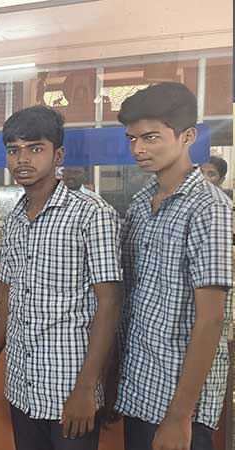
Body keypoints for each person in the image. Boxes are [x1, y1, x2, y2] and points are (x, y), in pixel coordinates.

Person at [0, 106, 122, 450]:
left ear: (58, 155)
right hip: (22, 385)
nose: (22, 159)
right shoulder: (14, 220)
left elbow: (110, 304)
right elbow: (9, 299)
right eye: (14, 150)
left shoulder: (91, 214)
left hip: (69, 387)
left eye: (35, 148)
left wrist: (87, 387)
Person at [115, 82, 232, 450]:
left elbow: (211, 318)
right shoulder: (140, 203)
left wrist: (180, 415)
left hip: (180, 403)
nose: (138, 149)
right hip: (139, 386)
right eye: (132, 139)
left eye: (150, 137)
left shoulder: (208, 208)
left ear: (187, 137)